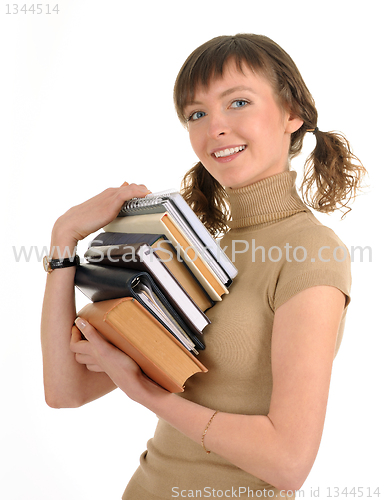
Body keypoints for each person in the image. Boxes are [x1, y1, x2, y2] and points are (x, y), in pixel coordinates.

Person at [41, 34, 366, 499]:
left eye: (238, 102)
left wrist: (143, 390)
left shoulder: (311, 252)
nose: (215, 127)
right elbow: (65, 390)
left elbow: (288, 463)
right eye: (197, 114)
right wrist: (63, 242)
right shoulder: (197, 252)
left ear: (292, 113)